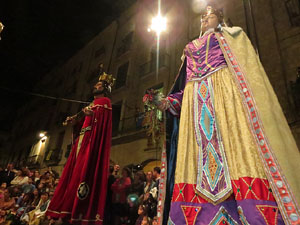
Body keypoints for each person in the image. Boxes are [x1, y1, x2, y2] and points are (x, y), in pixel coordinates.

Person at [157, 5, 300, 225]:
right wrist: (167, 102)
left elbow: (247, 72)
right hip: (195, 103)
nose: (205, 18)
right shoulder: (189, 48)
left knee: (235, 145)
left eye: (210, 15)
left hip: (226, 97)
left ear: (221, 19)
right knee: (195, 155)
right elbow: (183, 87)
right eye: (202, 16)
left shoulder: (233, 36)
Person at [46, 71, 114, 224]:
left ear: (105, 89)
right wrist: (76, 121)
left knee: (82, 175)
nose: (95, 86)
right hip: (81, 142)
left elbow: (102, 122)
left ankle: (79, 211)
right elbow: (83, 122)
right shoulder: (91, 104)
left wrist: (92, 115)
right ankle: (65, 210)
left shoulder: (105, 102)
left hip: (91, 142)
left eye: (99, 85)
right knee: (72, 176)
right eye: (95, 85)